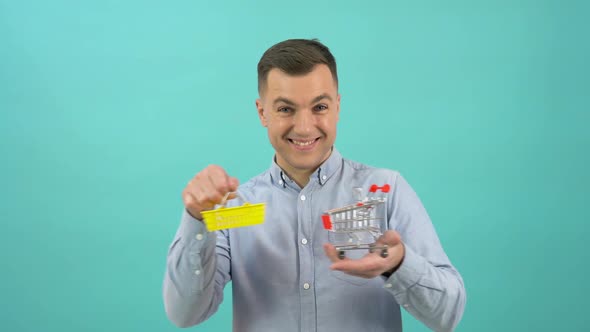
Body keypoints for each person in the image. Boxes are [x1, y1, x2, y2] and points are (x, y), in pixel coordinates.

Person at [163, 39, 466, 332]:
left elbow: (448, 315)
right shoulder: (237, 207)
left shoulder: (386, 191)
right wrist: (196, 221)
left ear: (337, 106)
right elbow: (184, 313)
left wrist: (399, 264)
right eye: (285, 109)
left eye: (319, 107)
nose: (305, 127)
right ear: (262, 112)